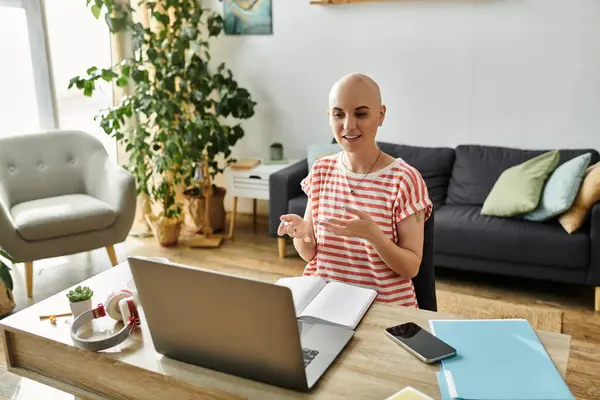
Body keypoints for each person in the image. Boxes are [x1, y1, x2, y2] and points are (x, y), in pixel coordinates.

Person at [277, 72, 433, 307]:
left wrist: (373, 236)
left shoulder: (405, 179)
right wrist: (302, 233)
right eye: (339, 115)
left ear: (381, 115)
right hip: (323, 303)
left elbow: (410, 268)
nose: (348, 125)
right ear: (330, 117)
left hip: (383, 309)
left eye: (361, 114)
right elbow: (310, 254)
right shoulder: (321, 170)